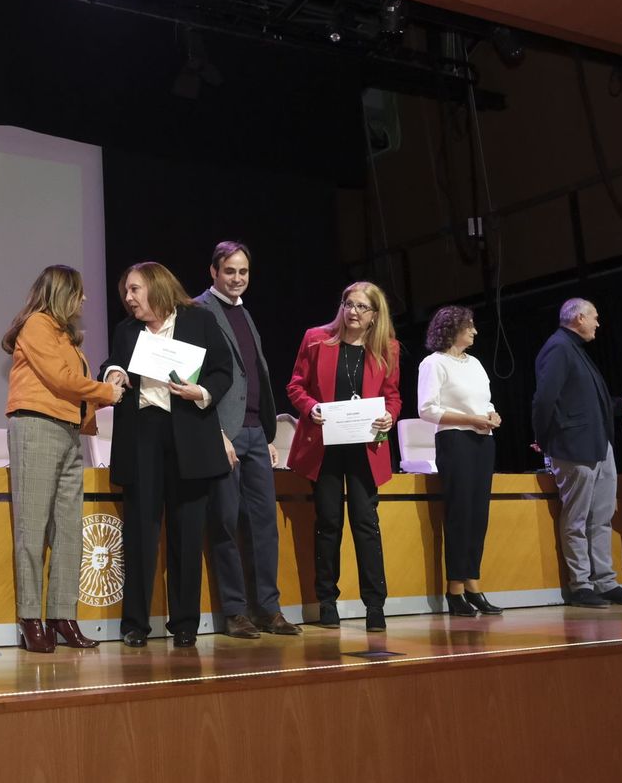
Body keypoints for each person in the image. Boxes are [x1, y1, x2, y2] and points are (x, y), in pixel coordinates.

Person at [100, 262, 233, 648]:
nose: (128, 298)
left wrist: (202, 393)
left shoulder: (199, 320)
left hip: (189, 433)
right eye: (126, 291)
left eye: (135, 290)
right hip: (142, 434)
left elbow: (223, 371)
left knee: (187, 533)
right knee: (140, 532)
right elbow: (113, 362)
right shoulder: (127, 330)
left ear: (157, 287)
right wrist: (112, 373)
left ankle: (186, 623)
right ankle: (135, 624)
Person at [2, 265, 122, 652]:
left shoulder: (66, 337)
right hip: (37, 427)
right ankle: (30, 618)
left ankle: (62, 616)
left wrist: (105, 388)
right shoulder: (37, 325)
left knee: (70, 531)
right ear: (61, 292)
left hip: (70, 432)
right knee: (32, 528)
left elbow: (73, 382)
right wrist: (106, 392)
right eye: (79, 292)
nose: (84, 299)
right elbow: (60, 380)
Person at [193, 242, 300, 638]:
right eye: (230, 272)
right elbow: (195, 378)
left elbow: (255, 374)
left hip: (256, 431)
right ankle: (235, 610)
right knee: (224, 520)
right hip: (224, 432)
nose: (237, 279)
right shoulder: (199, 311)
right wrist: (217, 432)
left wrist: (266, 434)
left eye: (243, 272)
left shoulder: (244, 312)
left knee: (263, 524)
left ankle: (268, 609)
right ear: (213, 272)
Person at [286, 282, 402, 632]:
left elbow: (392, 396)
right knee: (329, 523)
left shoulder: (388, 348)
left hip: (367, 447)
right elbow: (296, 386)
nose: (352, 312)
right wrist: (311, 407)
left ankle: (375, 605)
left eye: (361, 307)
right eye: (348, 304)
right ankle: (327, 601)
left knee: (366, 524)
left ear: (374, 315)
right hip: (325, 446)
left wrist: (389, 418)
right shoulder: (316, 339)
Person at [531, 298, 622, 608]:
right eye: (595, 317)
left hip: (599, 445)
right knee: (578, 518)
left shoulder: (575, 350)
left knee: (602, 517)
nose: (598, 323)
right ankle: (581, 584)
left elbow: (584, 403)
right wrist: (544, 439)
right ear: (579, 317)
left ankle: (605, 581)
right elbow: (544, 400)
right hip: (574, 447)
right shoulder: (558, 347)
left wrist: (620, 404)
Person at [417, 306, 504, 617]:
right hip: (455, 440)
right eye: (469, 326)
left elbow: (486, 401)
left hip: (483, 441)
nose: (475, 332)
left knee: (478, 514)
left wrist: (492, 415)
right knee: (460, 512)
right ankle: (454, 589)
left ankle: (473, 584)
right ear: (452, 329)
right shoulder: (434, 363)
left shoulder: (476, 364)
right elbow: (427, 409)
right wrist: (470, 418)